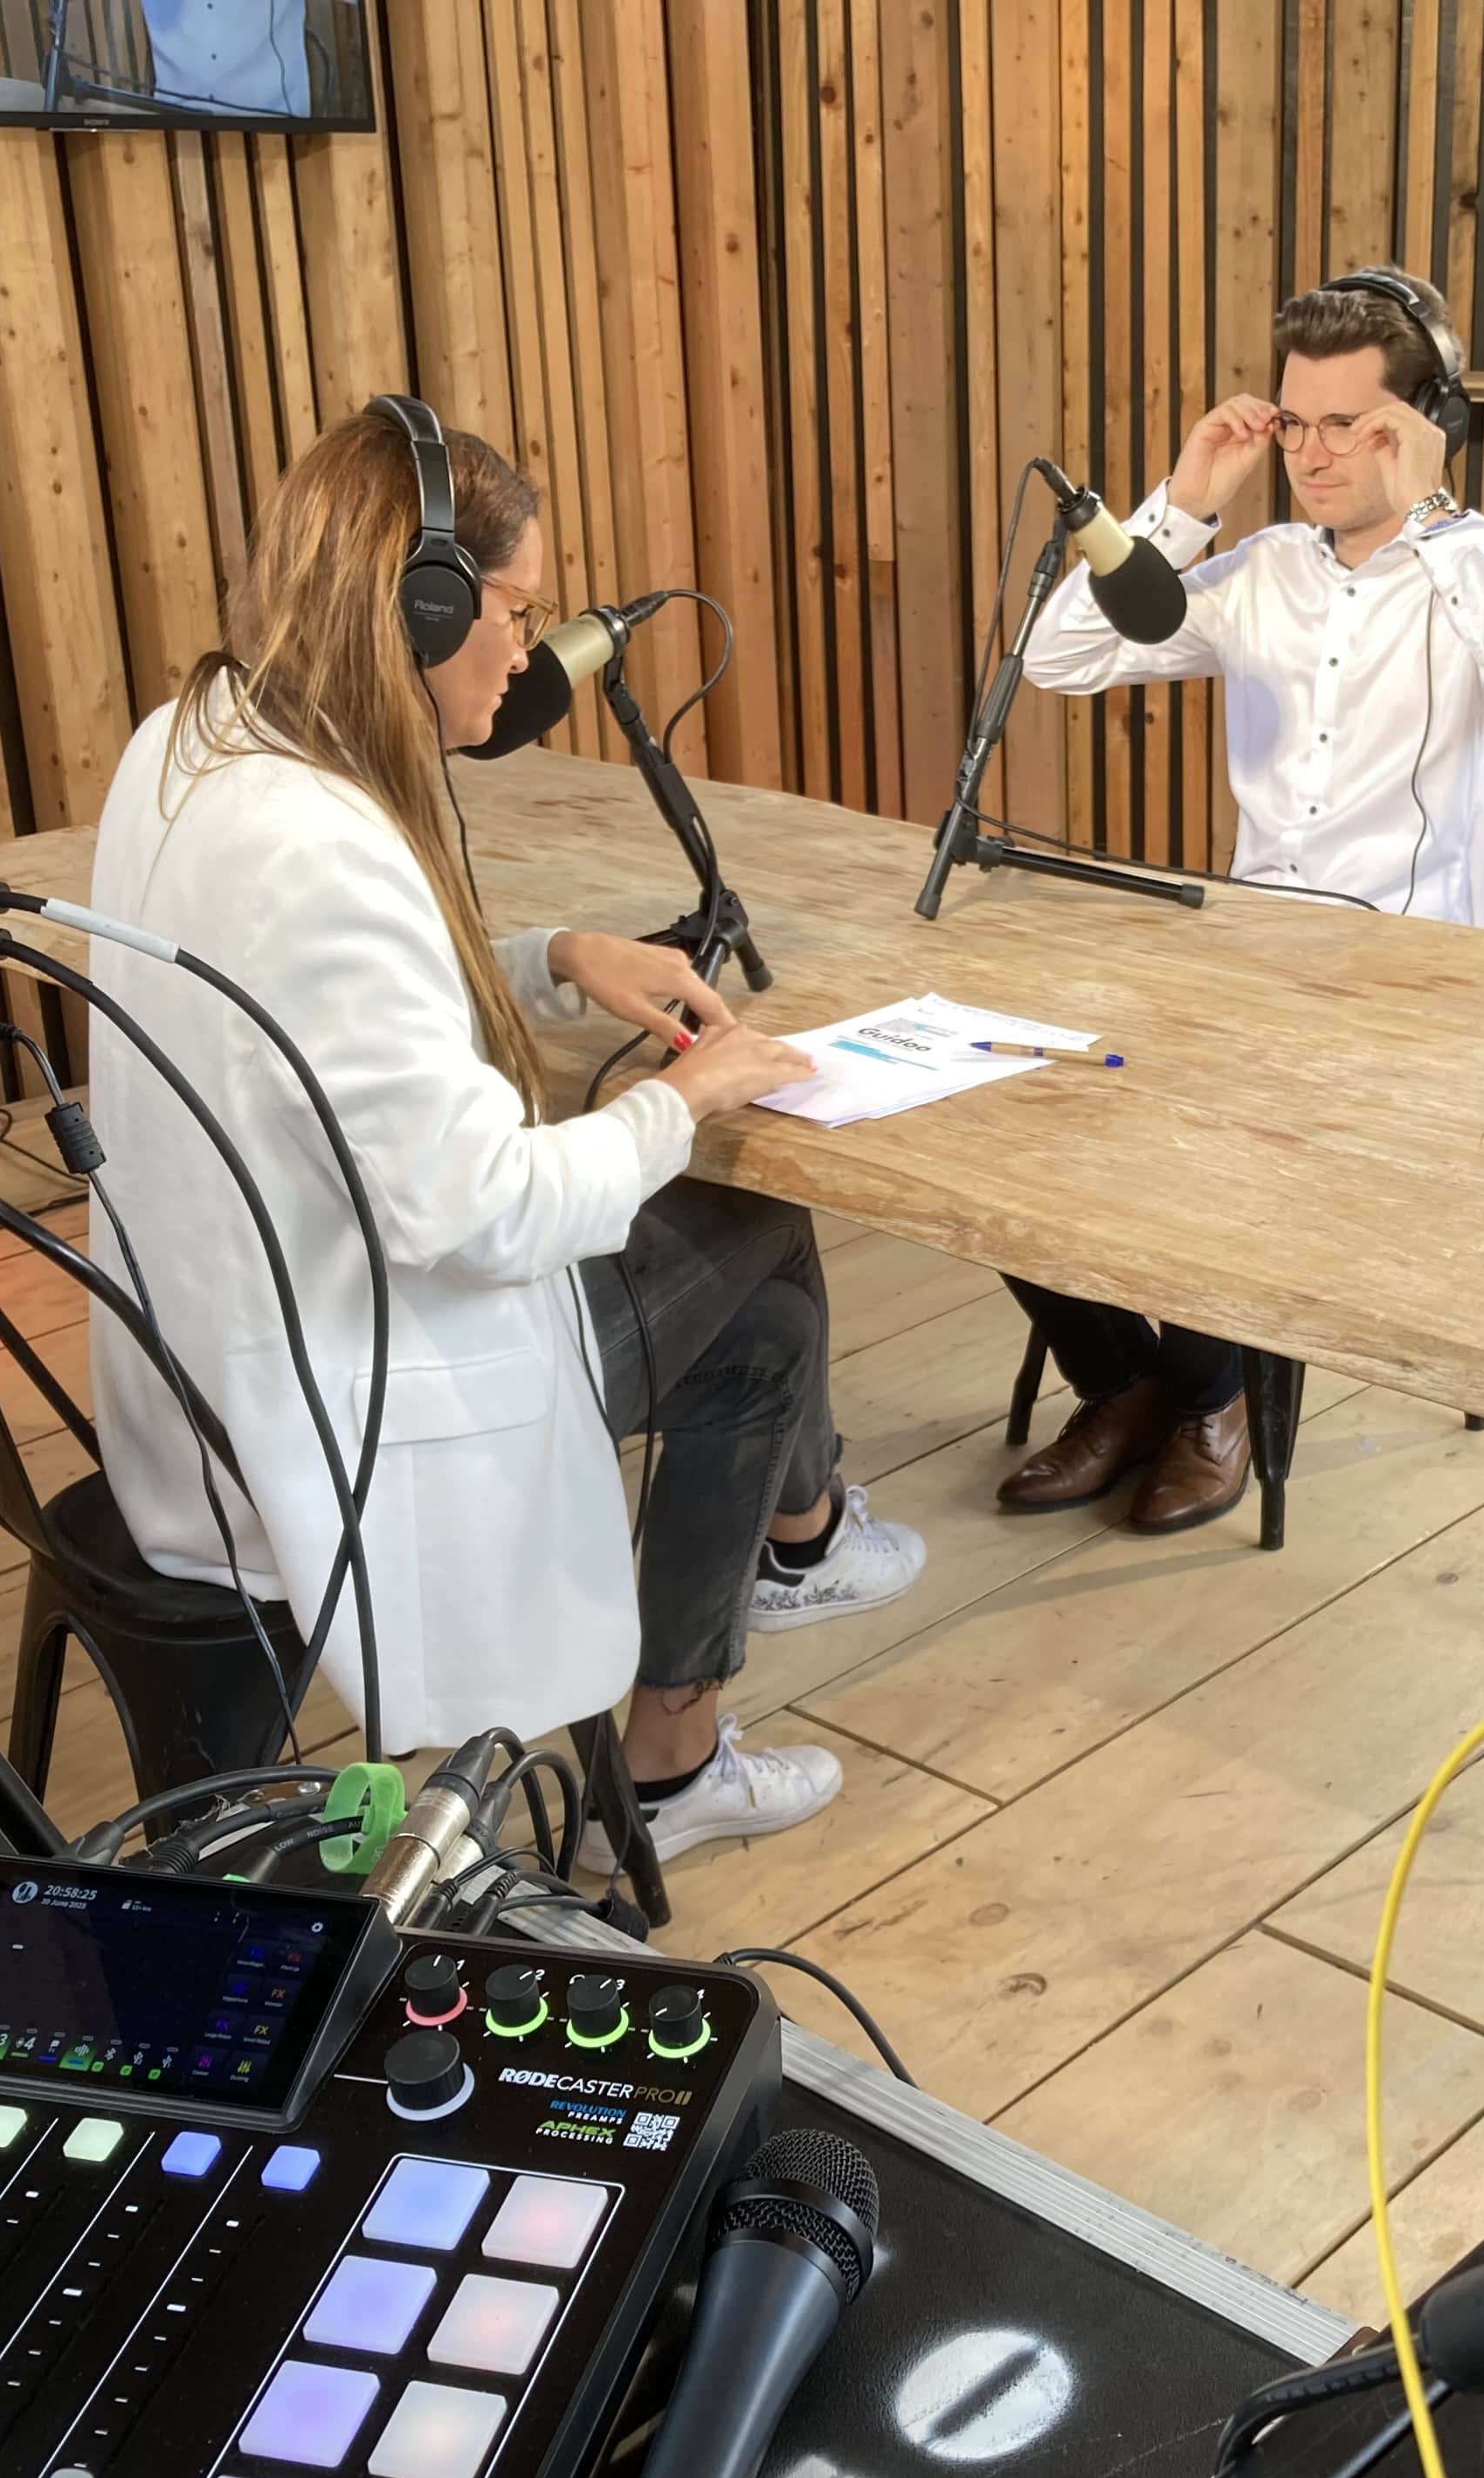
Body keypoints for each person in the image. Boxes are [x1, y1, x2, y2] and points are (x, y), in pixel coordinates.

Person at [83, 401, 924, 1865]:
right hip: (336, 1410)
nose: (530, 653)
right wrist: (685, 1098)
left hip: (199, 1355)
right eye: (519, 611)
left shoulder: (192, 744)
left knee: (756, 1289)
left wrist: (551, 957)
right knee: (759, 1268)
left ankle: (792, 1565)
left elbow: (329, 1014)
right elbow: (490, 1211)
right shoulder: (324, 845)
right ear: (423, 602)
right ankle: (702, 1707)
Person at [994, 270, 1484, 1534]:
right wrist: (1183, 504)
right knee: (1004, 1107)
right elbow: (1057, 660)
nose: (1314, 454)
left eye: (1350, 425)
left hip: (1408, 993)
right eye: (1297, 423)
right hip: (1240, 960)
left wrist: (1434, 512)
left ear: (1426, 425)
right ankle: (1123, 1384)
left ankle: (1208, 1405)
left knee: (1217, 1133)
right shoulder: (1261, 570)